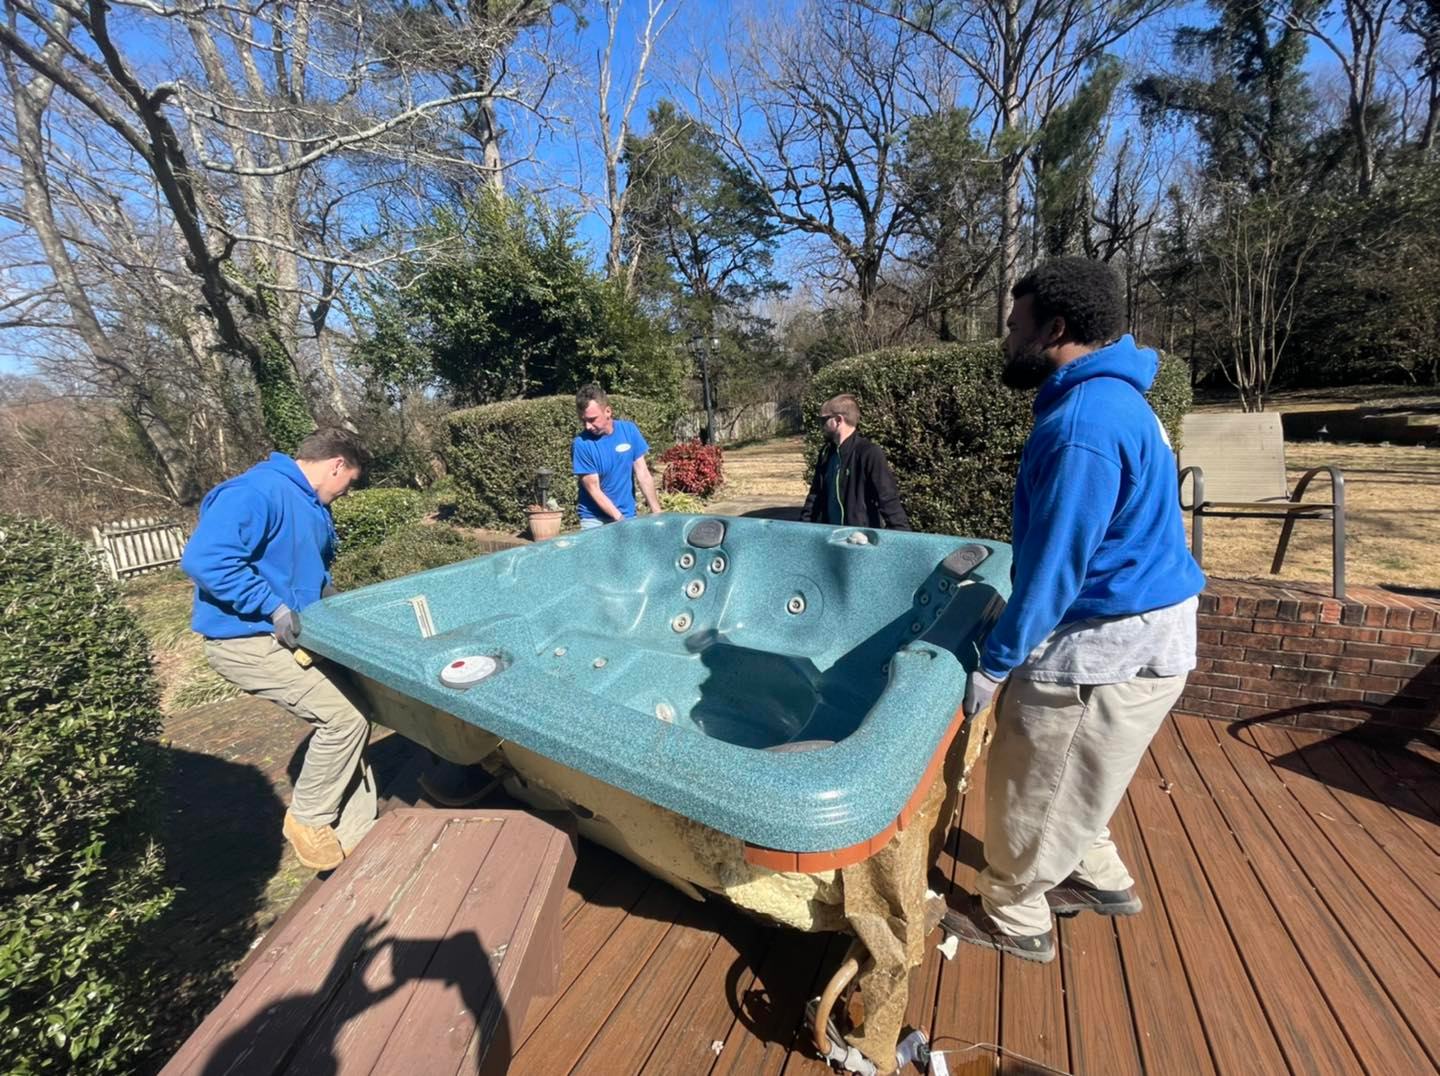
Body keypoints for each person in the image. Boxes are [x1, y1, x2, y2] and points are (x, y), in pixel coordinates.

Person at [943, 257, 1206, 963]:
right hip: (1144, 629)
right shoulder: (1120, 399)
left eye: (1013, 325)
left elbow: (1059, 566)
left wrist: (997, 663)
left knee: (1032, 780)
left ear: (1054, 328)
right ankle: (1099, 879)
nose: (1005, 338)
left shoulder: (1082, 425)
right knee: (1079, 772)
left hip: (1104, 643)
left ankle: (1014, 916)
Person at [180, 428, 377, 872]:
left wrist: (331, 599)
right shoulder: (256, 491)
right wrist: (271, 606)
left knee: (358, 710)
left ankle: (358, 838)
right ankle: (308, 821)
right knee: (343, 719)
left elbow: (296, 568)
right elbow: (206, 561)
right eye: (349, 482)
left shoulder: (306, 502)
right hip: (245, 641)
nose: (346, 492)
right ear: (336, 465)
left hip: (289, 636)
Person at [798, 394, 910, 530]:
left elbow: (888, 499)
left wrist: (901, 540)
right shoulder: (827, 453)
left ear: (838, 420)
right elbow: (815, 496)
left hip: (860, 540)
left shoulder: (869, 453)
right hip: (830, 539)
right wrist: (802, 529)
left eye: (823, 420)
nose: (821, 426)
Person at [572, 383, 662, 527]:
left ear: (608, 411)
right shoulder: (582, 444)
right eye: (584, 421)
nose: (588, 426)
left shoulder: (629, 431)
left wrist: (657, 513)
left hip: (627, 513)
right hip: (595, 520)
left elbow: (643, 474)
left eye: (592, 419)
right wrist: (620, 520)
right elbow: (594, 490)